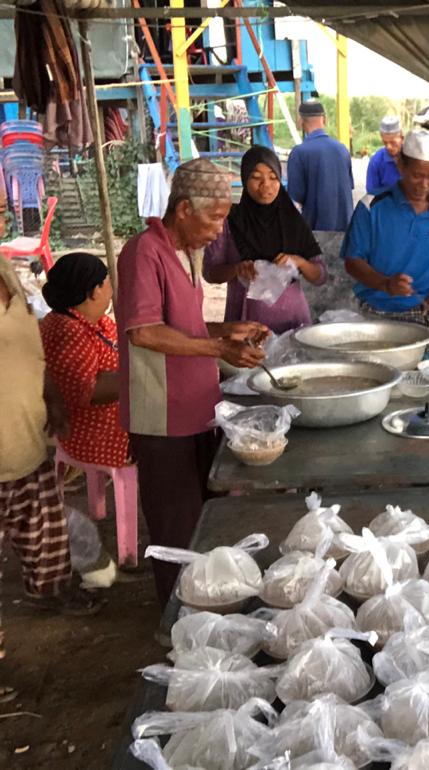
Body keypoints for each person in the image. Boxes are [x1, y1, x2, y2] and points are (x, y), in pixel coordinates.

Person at [117, 159, 267, 608]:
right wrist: (219, 350)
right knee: (175, 527)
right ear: (184, 209)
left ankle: (207, 606)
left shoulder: (186, 252)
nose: (221, 231)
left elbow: (181, 325)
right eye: (216, 217)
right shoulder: (144, 251)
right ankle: (177, 620)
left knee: (203, 517)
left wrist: (227, 331)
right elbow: (144, 331)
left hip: (199, 408)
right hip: (163, 417)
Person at [1, 243, 101, 702]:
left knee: (42, 518)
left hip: (24, 431)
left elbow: (33, 353)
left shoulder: (8, 277)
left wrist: (54, 401)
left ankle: (51, 589)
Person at [205, 146, 327, 334]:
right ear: (245, 179)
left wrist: (299, 261)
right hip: (246, 324)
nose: (266, 185)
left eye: (273, 177)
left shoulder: (292, 220)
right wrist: (237, 269)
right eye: (256, 177)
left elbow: (320, 276)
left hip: (293, 322)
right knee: (247, 363)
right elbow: (211, 274)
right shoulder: (230, 221)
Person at [343, 129, 429, 324]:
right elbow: (352, 261)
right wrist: (386, 284)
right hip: (373, 312)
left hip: (422, 314)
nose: (423, 184)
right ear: (401, 166)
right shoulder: (371, 206)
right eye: (417, 175)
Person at [40, 252, 128, 468]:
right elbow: (89, 391)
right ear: (95, 291)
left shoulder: (89, 320)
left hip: (103, 423)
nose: (112, 288)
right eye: (107, 281)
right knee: (165, 436)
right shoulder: (69, 332)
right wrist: (138, 377)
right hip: (94, 435)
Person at [286, 100, 354, 233]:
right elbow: (348, 189)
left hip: (315, 235)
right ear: (324, 119)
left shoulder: (299, 153)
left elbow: (295, 200)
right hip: (346, 235)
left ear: (300, 121)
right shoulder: (342, 150)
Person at [365, 115, 403, 196]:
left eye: (393, 142)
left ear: (402, 137)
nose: (388, 147)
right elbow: (372, 194)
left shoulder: (412, 158)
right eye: (385, 143)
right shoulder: (376, 161)